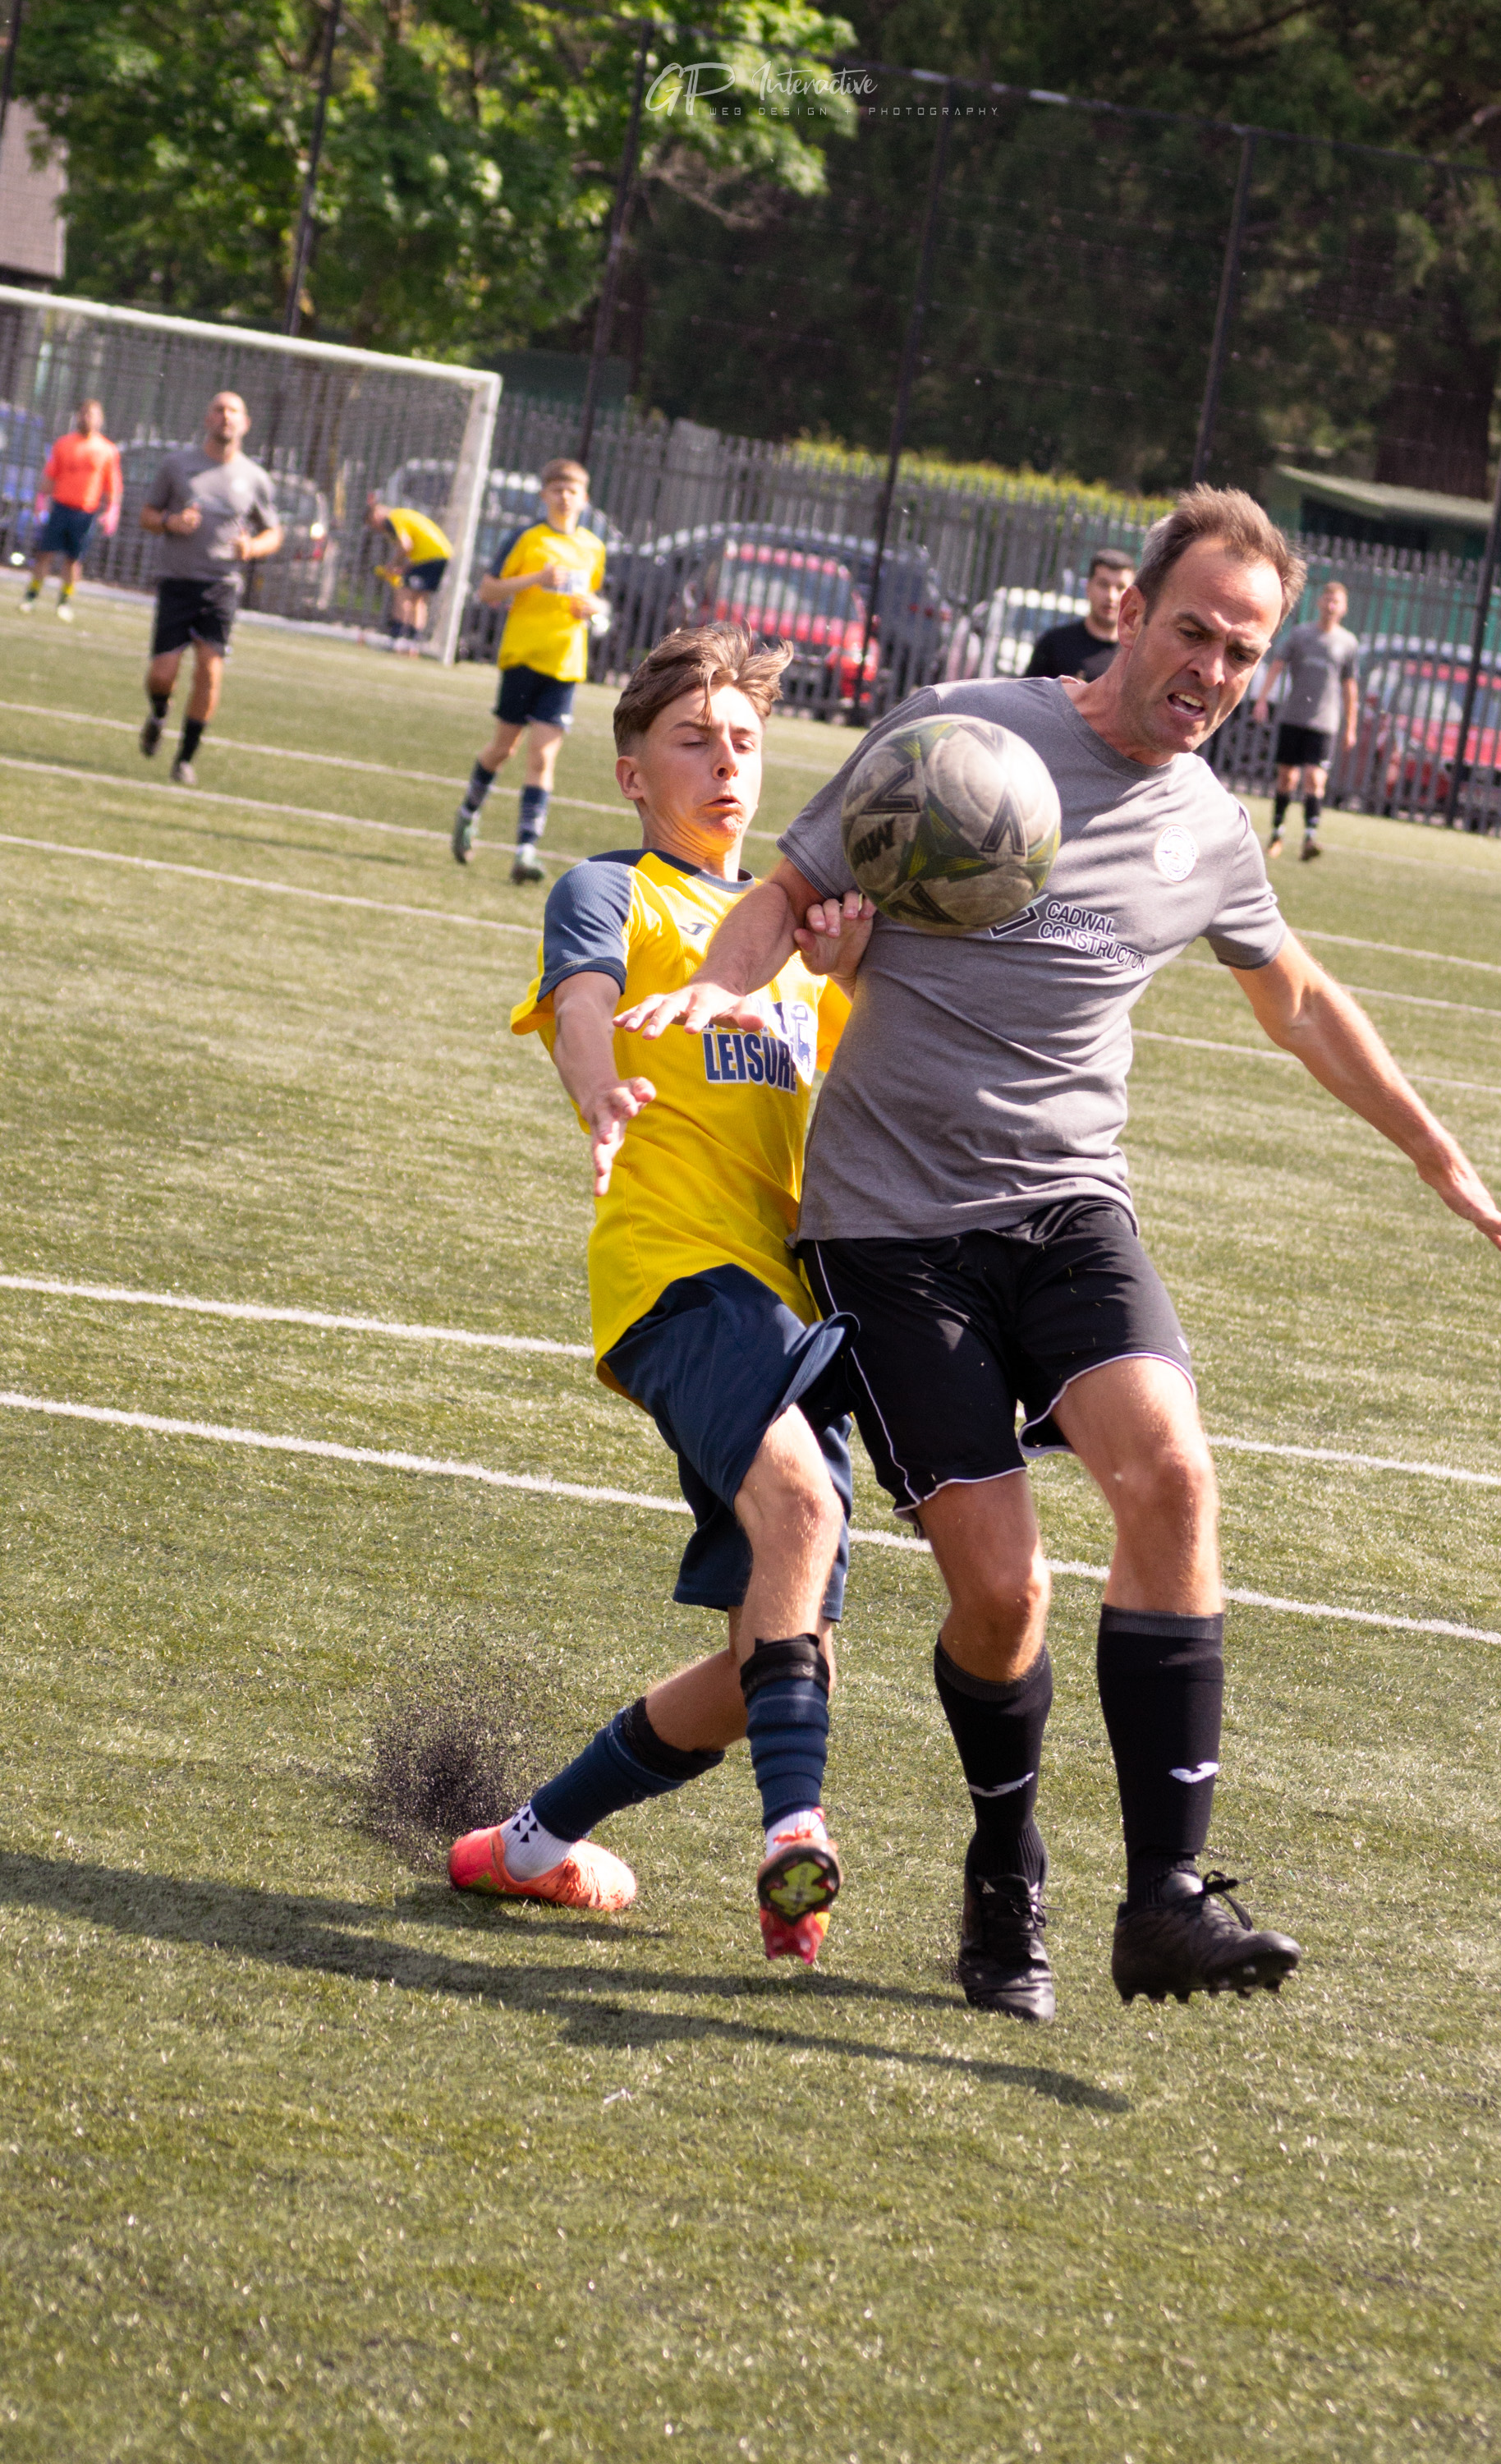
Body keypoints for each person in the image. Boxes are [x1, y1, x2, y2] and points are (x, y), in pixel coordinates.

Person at [620, 485, 1501, 2021]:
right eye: (1195, 631)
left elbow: (1298, 998)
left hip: (1068, 1207)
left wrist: (1433, 1149)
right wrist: (725, 984)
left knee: (1172, 1477)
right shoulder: (957, 736)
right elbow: (787, 894)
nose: (1213, 670)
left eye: (1243, 652)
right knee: (1004, 1596)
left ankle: (1166, 1895)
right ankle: (1004, 1865)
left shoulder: (1211, 828)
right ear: (1131, 615)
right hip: (891, 1227)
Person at [448, 622, 871, 1965]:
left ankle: (525, 1847)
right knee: (802, 1507)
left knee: (773, 1661)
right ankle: (795, 1842)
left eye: (744, 740)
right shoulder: (611, 891)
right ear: (634, 772)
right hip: (676, 1276)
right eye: (694, 740)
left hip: (798, 1315)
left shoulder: (797, 941)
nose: (726, 763)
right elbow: (583, 1003)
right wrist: (599, 1094)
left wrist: (857, 965)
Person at [450, 457, 606, 884]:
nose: (565, 497)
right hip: (522, 657)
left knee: (543, 756)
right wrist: (536, 578)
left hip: (565, 663)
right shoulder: (526, 538)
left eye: (573, 491)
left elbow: (594, 600)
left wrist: (594, 609)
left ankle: (525, 851)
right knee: (504, 749)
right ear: (544, 495)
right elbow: (487, 590)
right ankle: (469, 811)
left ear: (585, 498)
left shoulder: (593, 547)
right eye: (557, 489)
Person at [137, 393, 282, 786]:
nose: (226, 417)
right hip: (177, 582)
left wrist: (252, 547)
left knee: (210, 671)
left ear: (245, 423)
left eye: (234, 411)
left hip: (221, 587)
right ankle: (158, 713)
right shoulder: (177, 465)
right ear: (207, 418)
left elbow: (274, 533)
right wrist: (170, 522)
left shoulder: (254, 478)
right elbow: (147, 515)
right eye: (219, 409)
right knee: (162, 675)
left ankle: (185, 759)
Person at [1255, 578, 1359, 860]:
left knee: (1315, 778)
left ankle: (1310, 838)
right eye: (1327, 599)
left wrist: (1350, 727)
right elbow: (1277, 665)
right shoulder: (1301, 635)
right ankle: (1277, 834)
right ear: (1319, 602)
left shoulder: (1348, 643)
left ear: (1344, 608)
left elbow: (1350, 687)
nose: (1331, 606)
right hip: (1294, 716)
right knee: (1287, 778)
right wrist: (1262, 699)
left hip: (1325, 722)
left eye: (1337, 601)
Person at [20, 399, 122, 623]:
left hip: (85, 513)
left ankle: (64, 602)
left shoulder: (107, 449)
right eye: (83, 413)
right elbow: (50, 475)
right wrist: (40, 501)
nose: (86, 418)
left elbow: (112, 485)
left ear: (100, 419)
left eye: (91, 414)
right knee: (45, 554)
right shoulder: (64, 444)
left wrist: (112, 511)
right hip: (61, 508)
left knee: (73, 560)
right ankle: (31, 596)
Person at [1025, 547, 1136, 683]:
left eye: (1120, 587)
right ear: (1088, 588)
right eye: (1103, 585)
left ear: (1132, 596)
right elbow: (1028, 693)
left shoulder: (1137, 654)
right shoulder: (1054, 644)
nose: (1111, 596)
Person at [367, 496, 452, 651]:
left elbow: (406, 546)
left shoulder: (394, 518)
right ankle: (414, 643)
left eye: (373, 523)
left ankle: (397, 638)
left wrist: (392, 565)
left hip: (429, 557)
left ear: (376, 515)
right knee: (418, 599)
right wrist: (406, 566)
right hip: (439, 555)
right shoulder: (402, 514)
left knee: (403, 594)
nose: (377, 528)